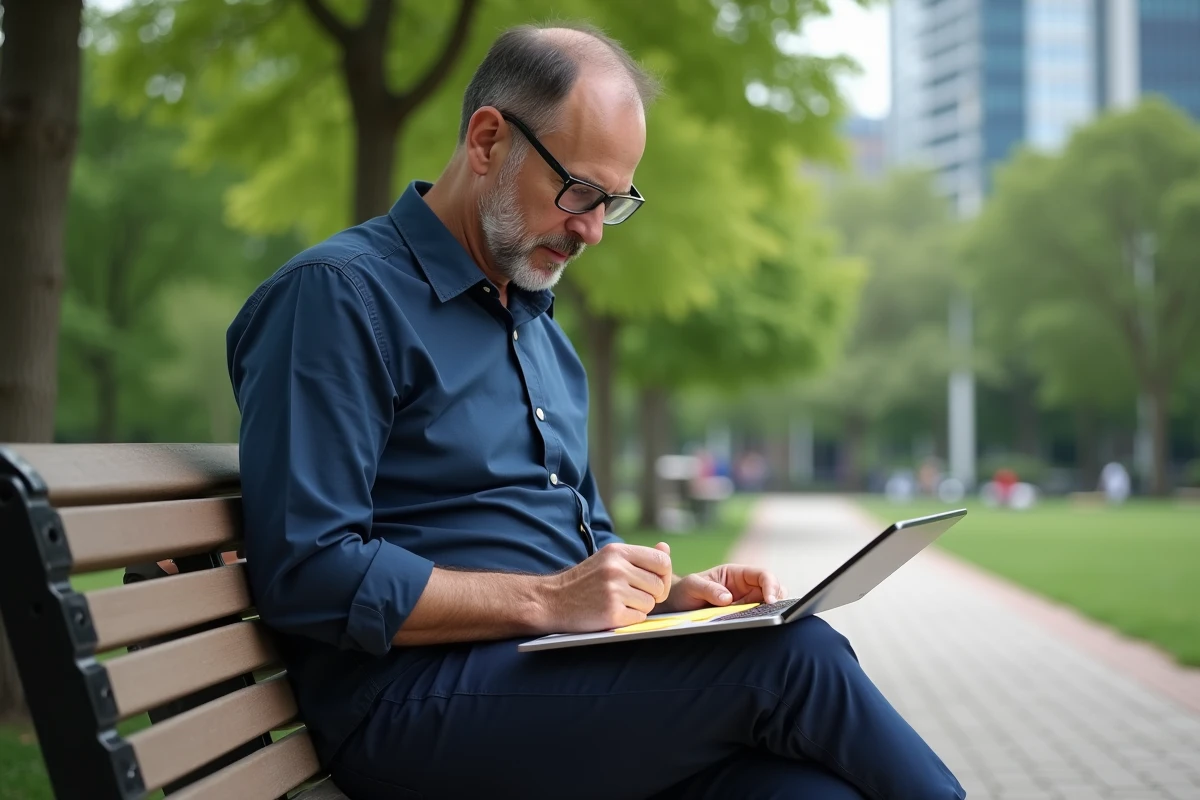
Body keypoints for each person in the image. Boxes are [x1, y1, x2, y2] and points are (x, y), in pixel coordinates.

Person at [226, 22, 965, 800]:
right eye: (580, 193)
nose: (592, 232)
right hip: (409, 708)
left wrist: (669, 599)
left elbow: (583, 541)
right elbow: (308, 570)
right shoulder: (338, 299)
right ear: (486, 142)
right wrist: (549, 599)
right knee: (794, 658)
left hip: (556, 690)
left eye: (614, 203)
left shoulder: (542, 334)